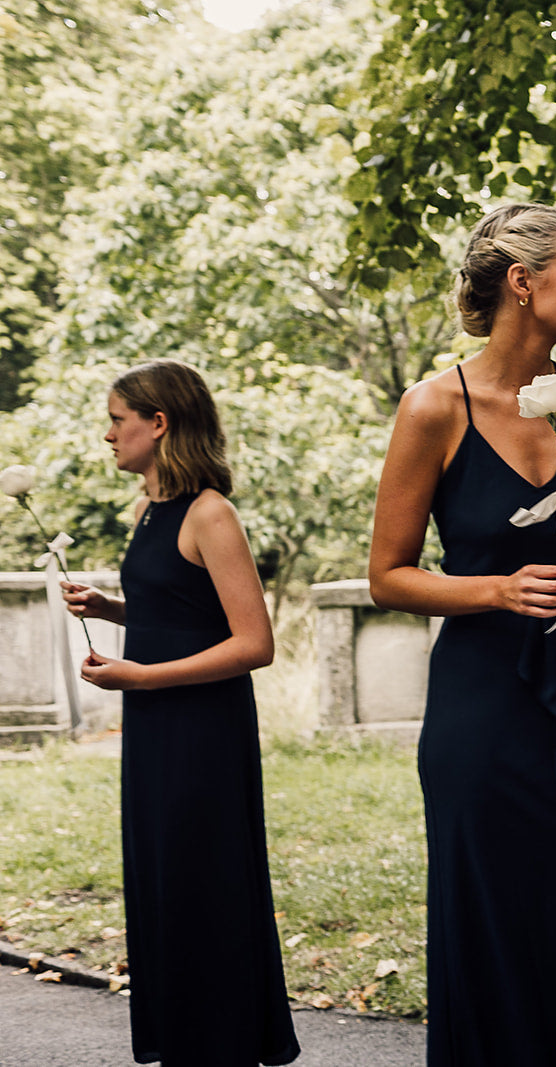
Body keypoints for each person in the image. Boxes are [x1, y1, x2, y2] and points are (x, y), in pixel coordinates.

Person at [367, 204, 556, 1065]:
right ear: (523, 282)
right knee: (495, 918)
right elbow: (390, 574)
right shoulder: (433, 408)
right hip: (484, 711)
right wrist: (496, 588)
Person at [64, 359, 299, 1066]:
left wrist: (142, 674)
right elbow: (184, 611)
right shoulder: (147, 509)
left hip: (204, 732)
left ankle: (222, 1044)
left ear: (158, 423)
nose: (108, 434)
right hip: (157, 726)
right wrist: (112, 608)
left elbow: (254, 642)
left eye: (116, 418)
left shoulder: (210, 513)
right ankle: (185, 1042)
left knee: (206, 882)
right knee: (165, 880)